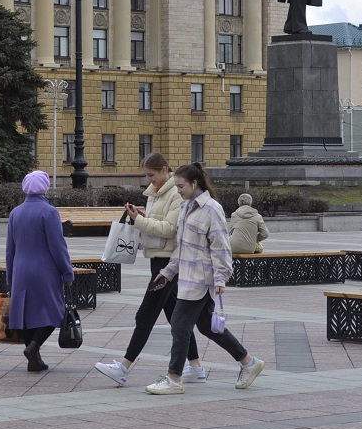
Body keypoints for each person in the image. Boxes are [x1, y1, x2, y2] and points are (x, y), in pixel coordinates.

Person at [144, 163, 265, 395]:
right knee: (208, 327)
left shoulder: (212, 209)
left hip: (201, 280)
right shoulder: (185, 206)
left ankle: (173, 379)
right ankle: (248, 362)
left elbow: (221, 247)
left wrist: (221, 279)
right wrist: (168, 272)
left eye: (180, 186)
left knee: (180, 326)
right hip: (186, 277)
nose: (177, 190)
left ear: (194, 183)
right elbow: (181, 247)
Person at [94, 153, 207, 387]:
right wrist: (143, 216)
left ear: (164, 170)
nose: (149, 179)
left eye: (151, 174)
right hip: (158, 259)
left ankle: (124, 367)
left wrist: (139, 221)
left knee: (145, 315)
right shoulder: (156, 193)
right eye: (147, 175)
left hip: (168, 263)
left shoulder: (176, 193)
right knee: (177, 318)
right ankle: (196, 367)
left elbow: (169, 229)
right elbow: (158, 222)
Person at [5, 170, 74, 372]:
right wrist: (67, 271)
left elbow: (10, 249)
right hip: (45, 270)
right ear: (45, 187)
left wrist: (10, 277)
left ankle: (33, 358)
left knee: (26, 314)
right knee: (55, 311)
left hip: (20, 269)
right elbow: (57, 246)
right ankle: (34, 347)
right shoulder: (49, 212)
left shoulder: (15, 212)